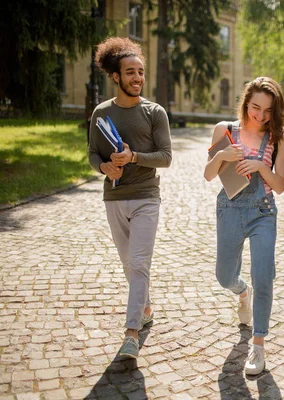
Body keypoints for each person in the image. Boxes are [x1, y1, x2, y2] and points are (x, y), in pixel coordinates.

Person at [88, 37, 172, 359]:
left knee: (139, 263)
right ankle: (146, 307)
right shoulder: (101, 113)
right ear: (116, 77)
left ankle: (131, 334)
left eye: (141, 72)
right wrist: (105, 166)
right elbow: (92, 154)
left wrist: (134, 156)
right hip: (114, 198)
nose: (137, 78)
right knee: (129, 264)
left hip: (146, 197)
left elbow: (165, 157)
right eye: (130, 73)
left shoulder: (155, 113)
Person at [203, 77, 284, 375]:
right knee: (224, 275)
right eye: (255, 108)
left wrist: (262, 167)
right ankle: (241, 292)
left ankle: (259, 344)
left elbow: (280, 186)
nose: (260, 116)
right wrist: (223, 155)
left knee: (264, 275)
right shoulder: (224, 130)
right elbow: (208, 175)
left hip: (263, 211)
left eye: (267, 111)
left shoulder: (279, 138)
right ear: (245, 102)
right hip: (229, 208)